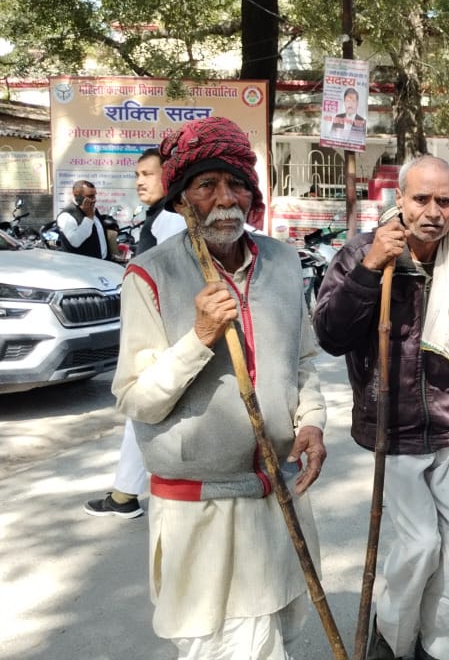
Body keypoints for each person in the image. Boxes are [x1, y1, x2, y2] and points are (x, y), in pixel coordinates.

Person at [112, 116, 329, 659]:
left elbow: (303, 361)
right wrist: (199, 337)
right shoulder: (150, 275)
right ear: (182, 199)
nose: (225, 200)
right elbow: (136, 398)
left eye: (236, 184)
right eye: (207, 185)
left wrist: (312, 422)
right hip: (200, 509)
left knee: (279, 633)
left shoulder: (282, 262)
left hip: (276, 496)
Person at [313, 155, 449, 660]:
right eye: (421, 199)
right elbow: (329, 334)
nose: (433, 212)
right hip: (392, 429)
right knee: (419, 544)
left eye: (444, 201)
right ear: (399, 199)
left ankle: (441, 647)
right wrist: (371, 268)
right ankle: (393, 637)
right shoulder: (364, 252)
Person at [84, 148, 188, 519]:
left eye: (148, 174)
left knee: (144, 409)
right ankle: (126, 492)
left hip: (164, 334)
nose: (141, 182)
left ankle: (127, 494)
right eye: (137, 175)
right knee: (146, 411)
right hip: (159, 331)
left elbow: (176, 280)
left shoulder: (171, 220)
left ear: (170, 176)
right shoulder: (160, 217)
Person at [56, 179, 114, 259]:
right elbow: (75, 241)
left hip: (102, 262)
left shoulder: (92, 209)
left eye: (94, 195)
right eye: (90, 196)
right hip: (83, 265)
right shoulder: (66, 216)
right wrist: (88, 218)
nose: (94, 199)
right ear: (77, 196)